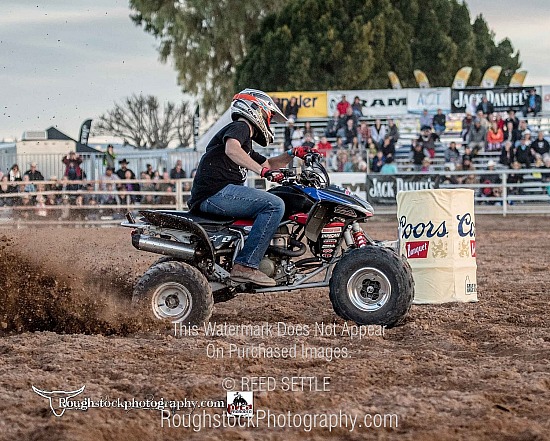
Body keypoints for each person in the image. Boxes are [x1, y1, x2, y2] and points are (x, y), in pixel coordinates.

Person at [187, 89, 314, 287]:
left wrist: (293, 153)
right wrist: (262, 173)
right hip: (214, 194)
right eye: (268, 117)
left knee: (273, 201)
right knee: (274, 205)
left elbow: (269, 164)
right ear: (256, 109)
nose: (268, 122)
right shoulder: (241, 127)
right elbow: (232, 149)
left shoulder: (245, 144)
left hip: (216, 194)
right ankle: (245, 266)